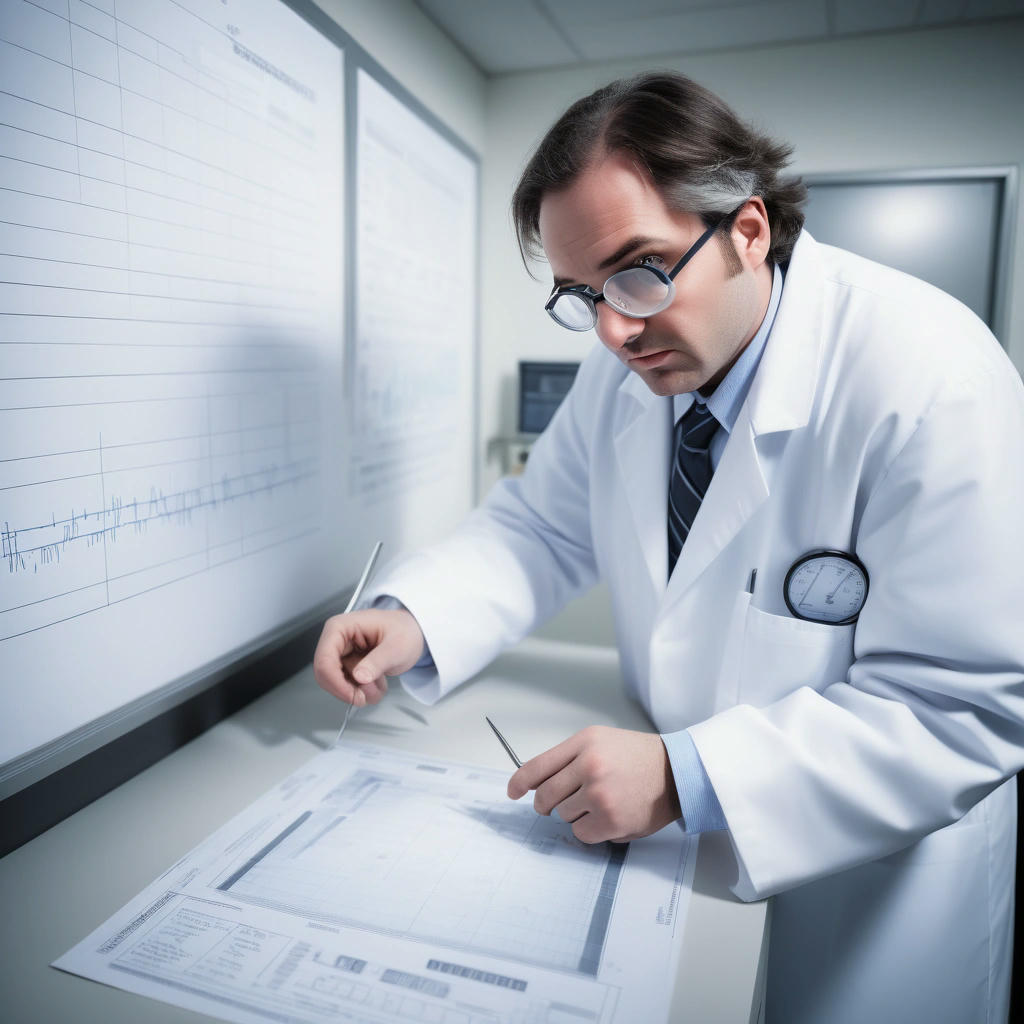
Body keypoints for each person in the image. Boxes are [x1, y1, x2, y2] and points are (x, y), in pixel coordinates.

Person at [313, 72, 1024, 1023]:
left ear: (748, 231)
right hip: (675, 868)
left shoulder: (931, 375)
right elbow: (542, 525)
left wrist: (691, 775)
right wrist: (414, 620)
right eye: (581, 293)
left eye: (640, 269)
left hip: (873, 889)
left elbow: (962, 707)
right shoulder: (631, 366)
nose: (613, 329)